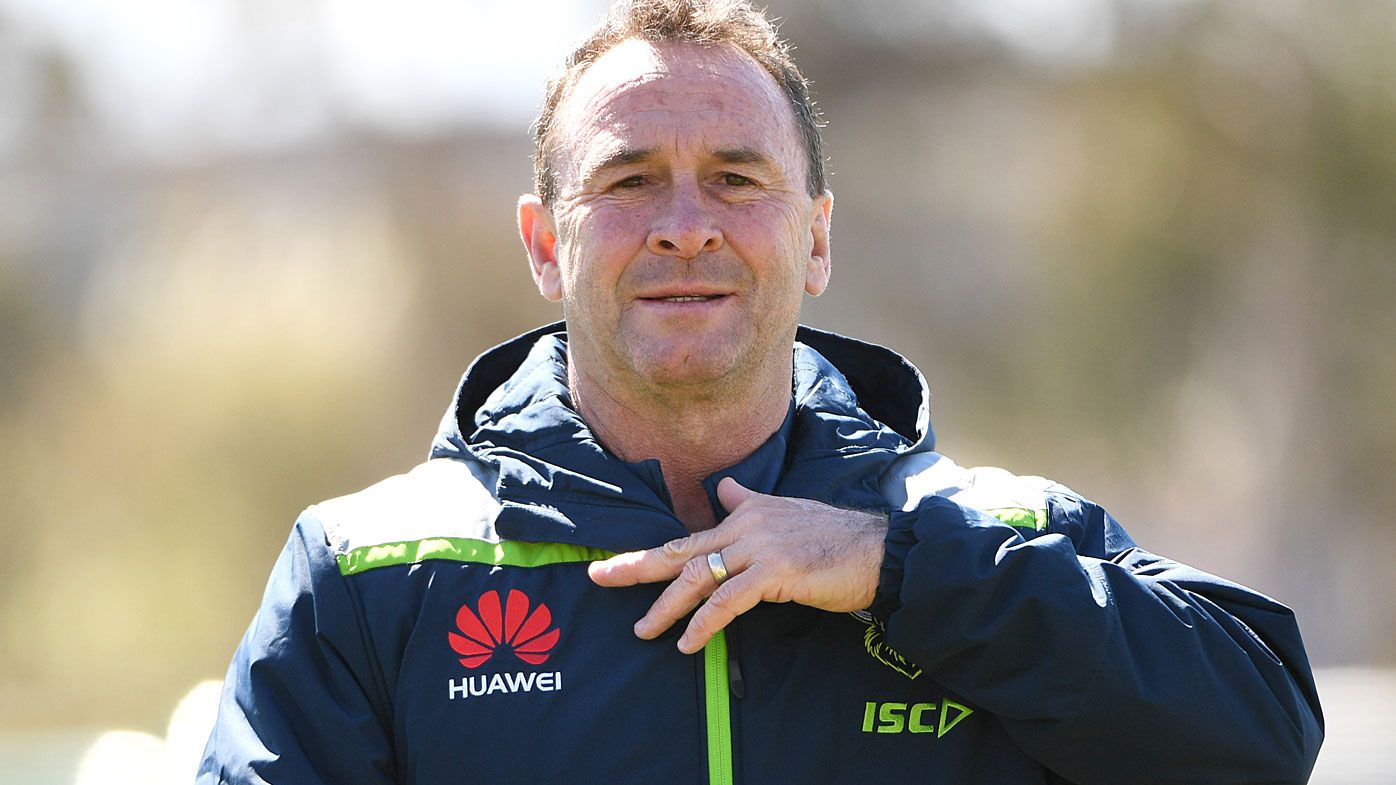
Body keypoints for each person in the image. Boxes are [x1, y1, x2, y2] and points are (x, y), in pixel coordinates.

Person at [199, 1, 1323, 783]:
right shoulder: (366, 576)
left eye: (736, 178)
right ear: (545, 244)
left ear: (815, 237)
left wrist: (896, 566)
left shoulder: (994, 535)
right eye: (630, 181)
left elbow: (1262, 737)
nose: (686, 225)